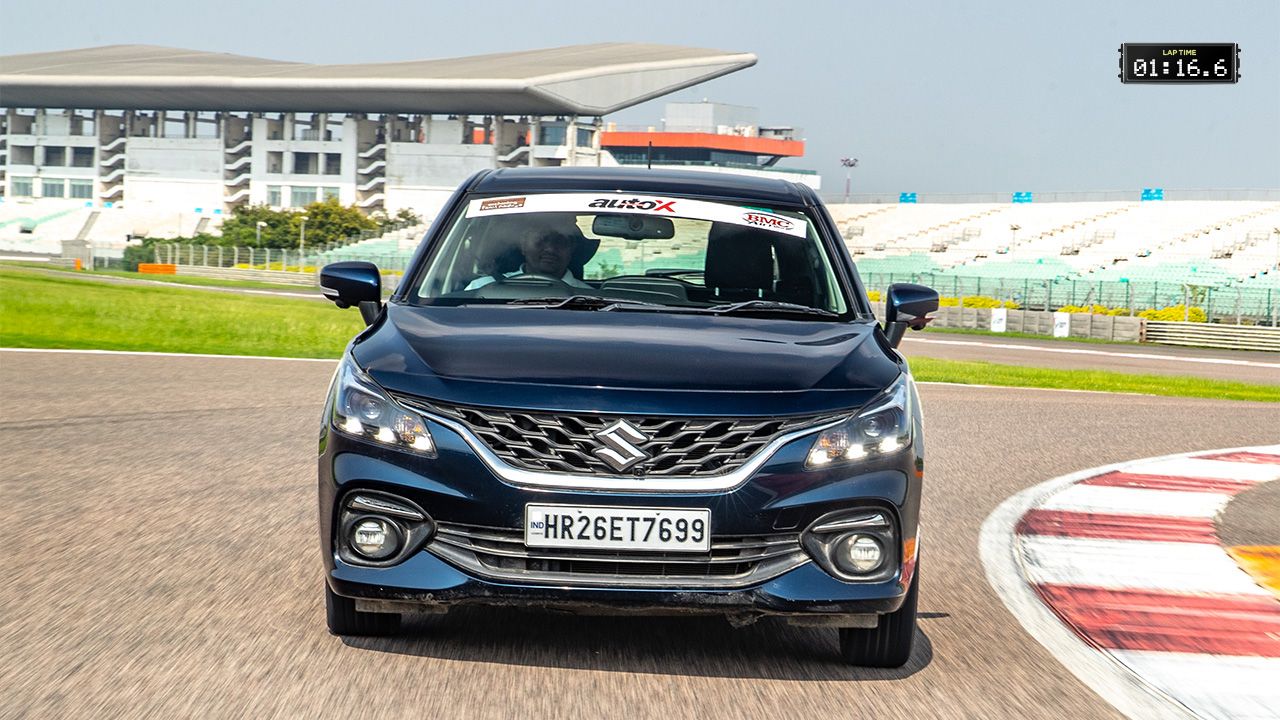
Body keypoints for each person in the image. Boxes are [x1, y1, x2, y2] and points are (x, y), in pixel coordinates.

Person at [466, 219, 592, 290]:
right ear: (523, 245)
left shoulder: (591, 298)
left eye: (560, 241)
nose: (550, 249)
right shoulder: (480, 288)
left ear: (572, 249)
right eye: (541, 239)